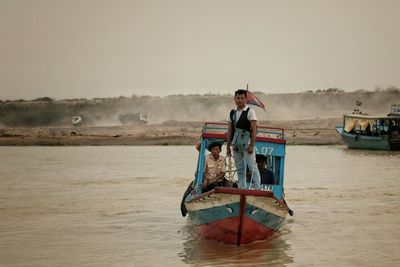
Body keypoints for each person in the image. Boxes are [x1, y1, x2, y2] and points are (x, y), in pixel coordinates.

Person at [226, 89, 261, 189]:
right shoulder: (232, 112)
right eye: (238, 98)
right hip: (236, 145)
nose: (240, 100)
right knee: (240, 169)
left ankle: (258, 188)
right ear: (234, 99)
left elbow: (254, 130)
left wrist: (252, 146)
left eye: (242, 98)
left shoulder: (250, 112)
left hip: (247, 144)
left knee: (252, 167)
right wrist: (228, 147)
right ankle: (242, 189)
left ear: (246, 99)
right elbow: (229, 131)